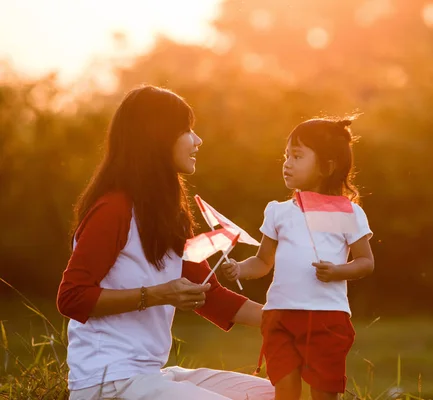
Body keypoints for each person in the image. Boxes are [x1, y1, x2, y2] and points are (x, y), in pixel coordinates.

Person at [56, 85, 275, 400]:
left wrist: (286, 321)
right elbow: (71, 298)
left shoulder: (163, 213)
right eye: (186, 130)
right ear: (156, 138)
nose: (197, 140)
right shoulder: (113, 209)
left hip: (149, 375)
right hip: (107, 382)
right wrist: (156, 295)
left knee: (274, 395)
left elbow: (210, 294)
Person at [221, 118, 375, 400]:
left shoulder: (347, 213)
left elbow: (366, 262)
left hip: (327, 316)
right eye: (286, 156)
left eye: (298, 156)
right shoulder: (278, 212)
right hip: (280, 314)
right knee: (285, 389)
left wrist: (337, 271)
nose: (287, 163)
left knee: (324, 391)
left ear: (327, 166)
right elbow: (262, 262)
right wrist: (239, 269)